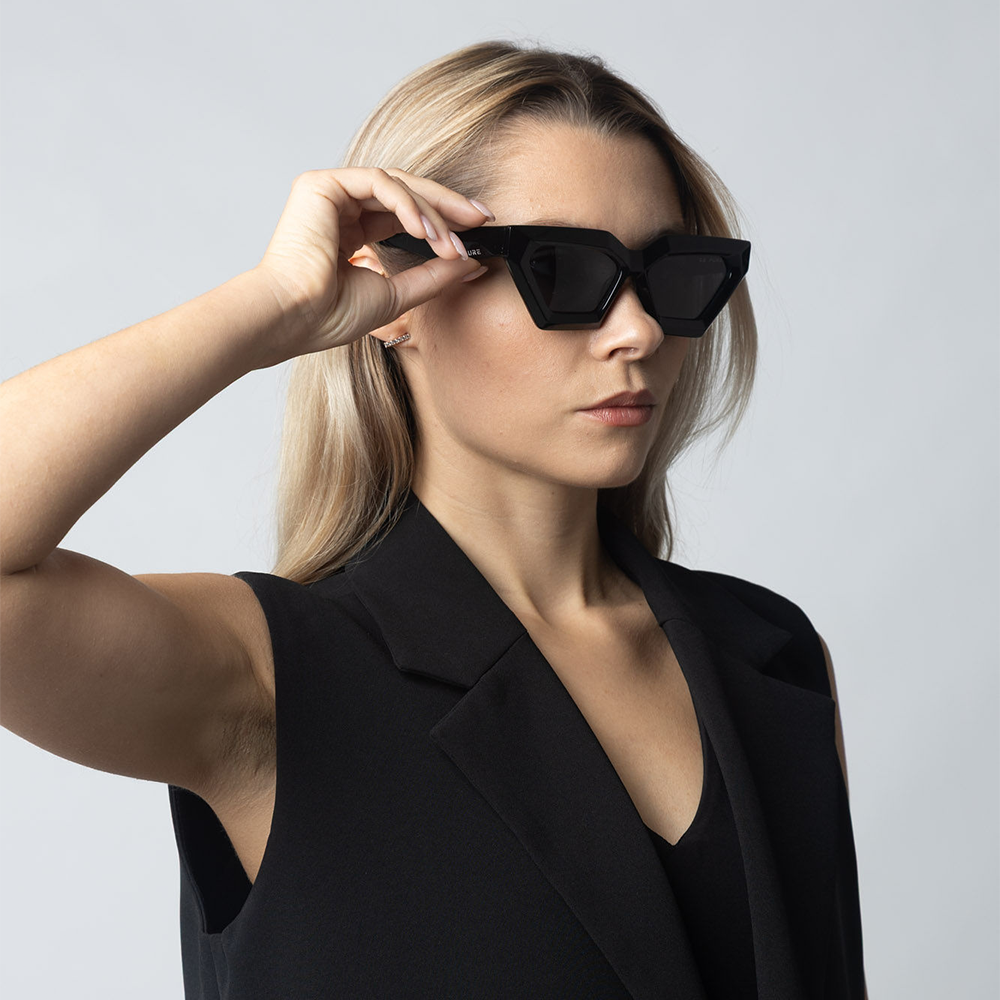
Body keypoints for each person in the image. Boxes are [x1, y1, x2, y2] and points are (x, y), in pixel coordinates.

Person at [0, 39, 867, 1000]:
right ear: (397, 292)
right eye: (562, 270)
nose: (640, 331)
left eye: (671, 274)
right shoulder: (271, 681)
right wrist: (276, 304)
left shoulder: (773, 657)